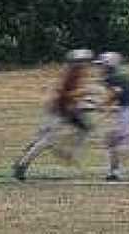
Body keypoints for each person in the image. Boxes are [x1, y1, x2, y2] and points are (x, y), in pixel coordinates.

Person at [13, 49, 96, 181]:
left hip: (66, 111)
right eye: (84, 62)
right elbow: (65, 96)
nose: (87, 65)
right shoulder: (71, 76)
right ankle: (22, 165)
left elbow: (70, 96)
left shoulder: (78, 74)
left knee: (85, 128)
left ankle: (68, 152)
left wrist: (82, 101)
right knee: (46, 140)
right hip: (58, 111)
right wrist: (82, 98)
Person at [96, 51, 129, 181]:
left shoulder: (111, 77)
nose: (100, 68)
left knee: (117, 141)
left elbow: (115, 93)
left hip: (128, 110)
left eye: (103, 65)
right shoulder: (121, 74)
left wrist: (102, 105)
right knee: (111, 140)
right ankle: (114, 171)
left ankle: (116, 171)